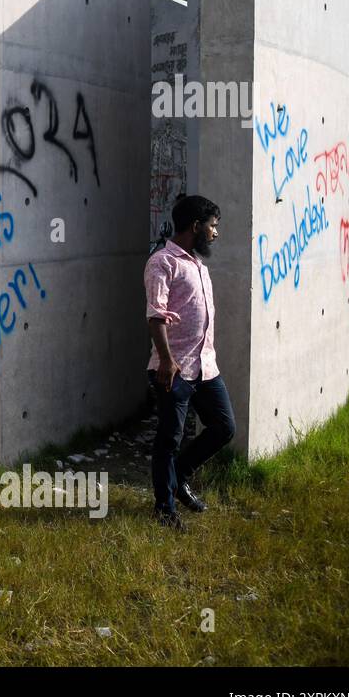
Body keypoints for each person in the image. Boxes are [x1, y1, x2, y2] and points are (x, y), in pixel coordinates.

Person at [143, 194, 237, 530]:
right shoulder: (162, 262)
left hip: (205, 366)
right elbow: (156, 316)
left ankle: (179, 476)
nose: (215, 233)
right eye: (212, 226)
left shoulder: (197, 263)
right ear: (195, 226)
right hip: (174, 367)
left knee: (224, 427)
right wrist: (167, 361)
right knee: (169, 437)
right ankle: (164, 508)